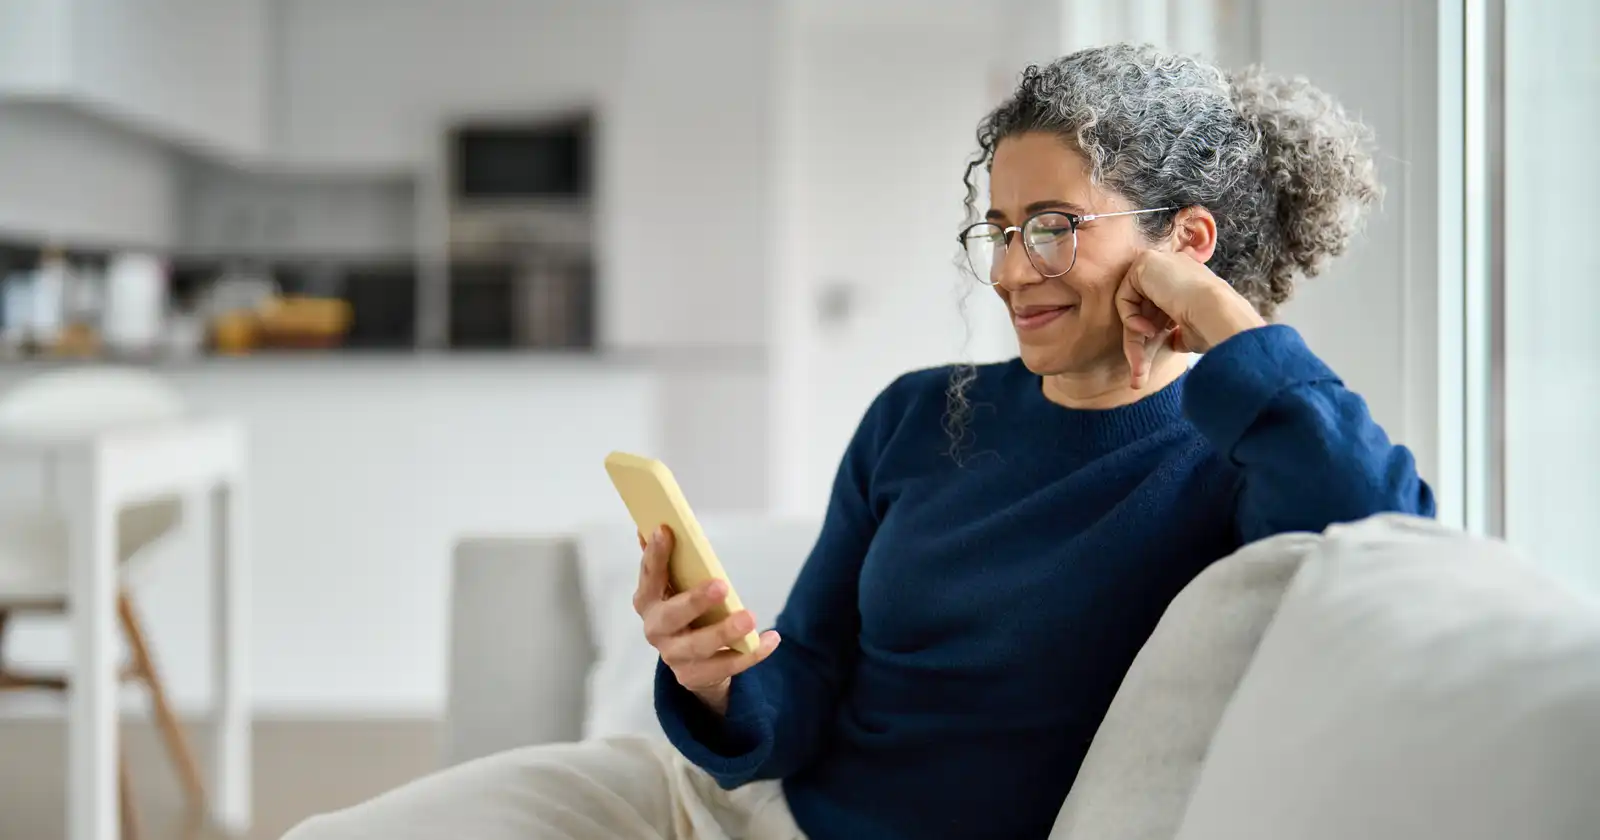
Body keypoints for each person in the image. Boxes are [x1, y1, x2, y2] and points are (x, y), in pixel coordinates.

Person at [285, 43, 1433, 840]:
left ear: (1185, 239)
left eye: (1051, 227)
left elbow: (1389, 536)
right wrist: (716, 679)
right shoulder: (917, 416)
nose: (1009, 268)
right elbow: (813, 675)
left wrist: (1223, 317)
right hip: (709, 808)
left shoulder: (1234, 452)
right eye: (996, 227)